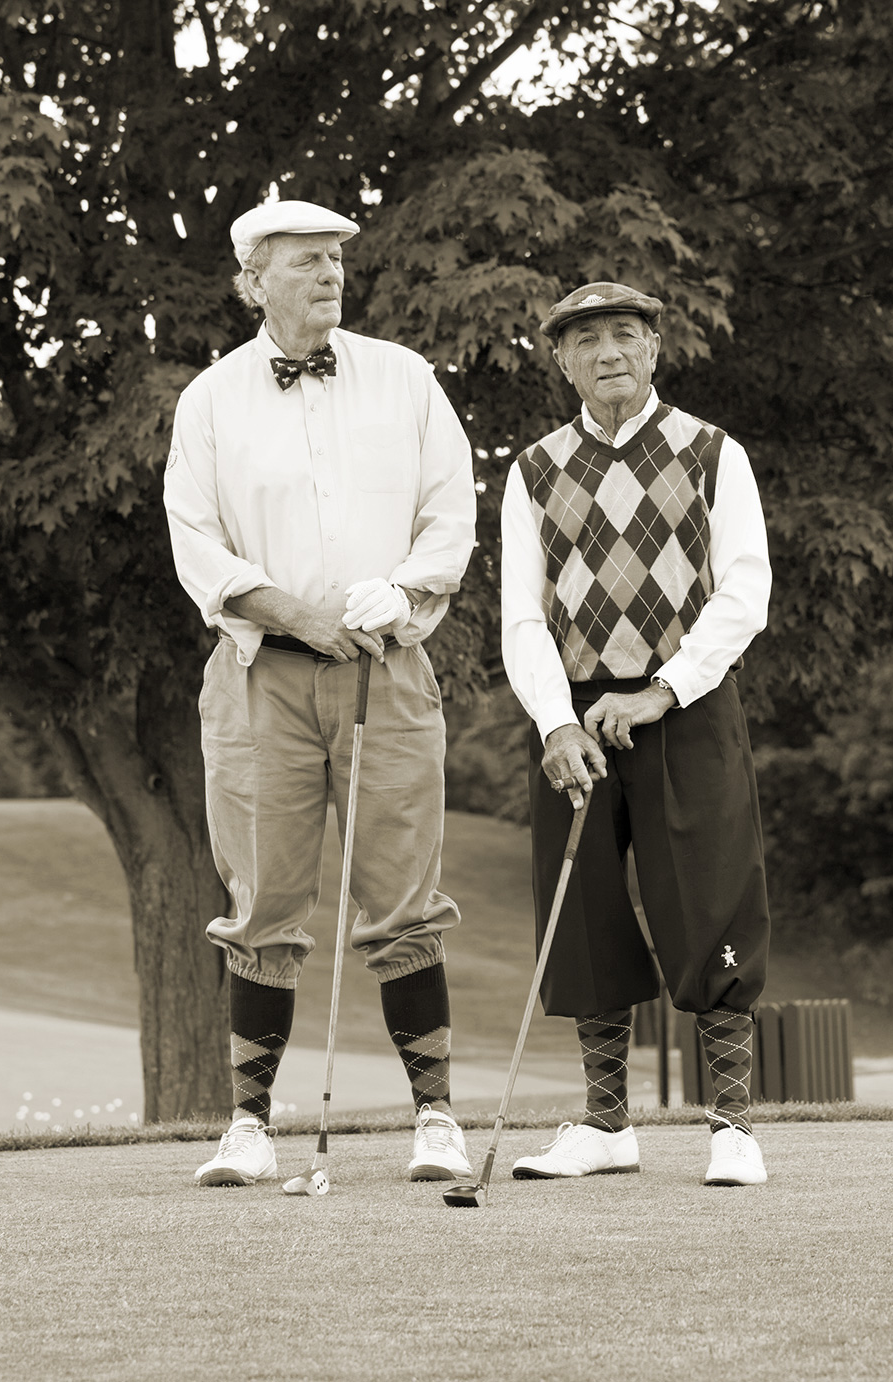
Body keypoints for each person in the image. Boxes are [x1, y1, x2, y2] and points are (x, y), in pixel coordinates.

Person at [164, 199, 478, 1187]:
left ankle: (436, 1117)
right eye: (305, 261)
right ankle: (249, 1126)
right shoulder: (210, 399)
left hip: (388, 668)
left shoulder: (406, 378)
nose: (330, 274)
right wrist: (298, 614)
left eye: (336, 259)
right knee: (262, 898)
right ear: (253, 281)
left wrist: (406, 590)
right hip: (261, 676)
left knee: (404, 895)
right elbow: (197, 543)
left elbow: (450, 515)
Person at [500, 281, 773, 1187]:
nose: (608, 352)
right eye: (586, 340)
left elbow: (744, 591)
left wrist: (663, 690)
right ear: (561, 361)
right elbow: (522, 616)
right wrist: (554, 722)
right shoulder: (533, 469)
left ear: (654, 348)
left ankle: (732, 1127)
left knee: (712, 896)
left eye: (625, 334)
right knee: (583, 910)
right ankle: (606, 1126)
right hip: (572, 714)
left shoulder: (712, 452)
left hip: (687, 701)